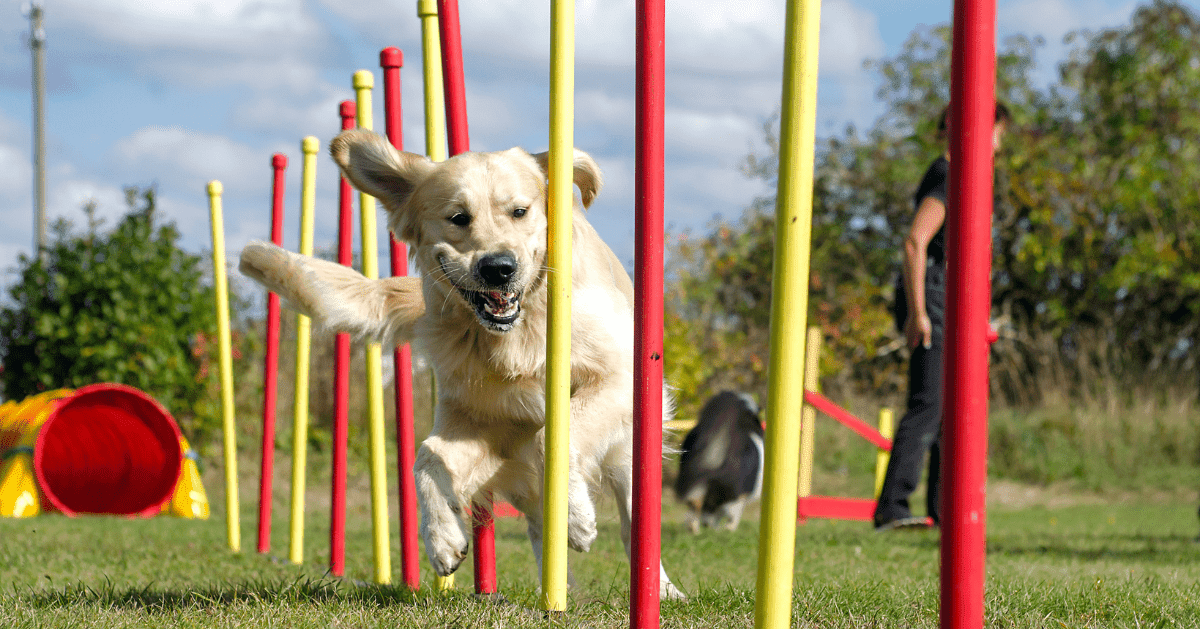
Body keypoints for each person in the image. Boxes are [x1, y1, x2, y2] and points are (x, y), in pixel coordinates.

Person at [873, 102, 1011, 532]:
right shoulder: (947, 174)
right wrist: (919, 313)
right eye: (995, 134)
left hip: (951, 297)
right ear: (969, 129)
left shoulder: (964, 176)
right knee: (929, 404)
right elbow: (916, 241)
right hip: (932, 295)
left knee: (953, 408)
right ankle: (891, 510)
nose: (998, 146)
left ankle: (940, 507)